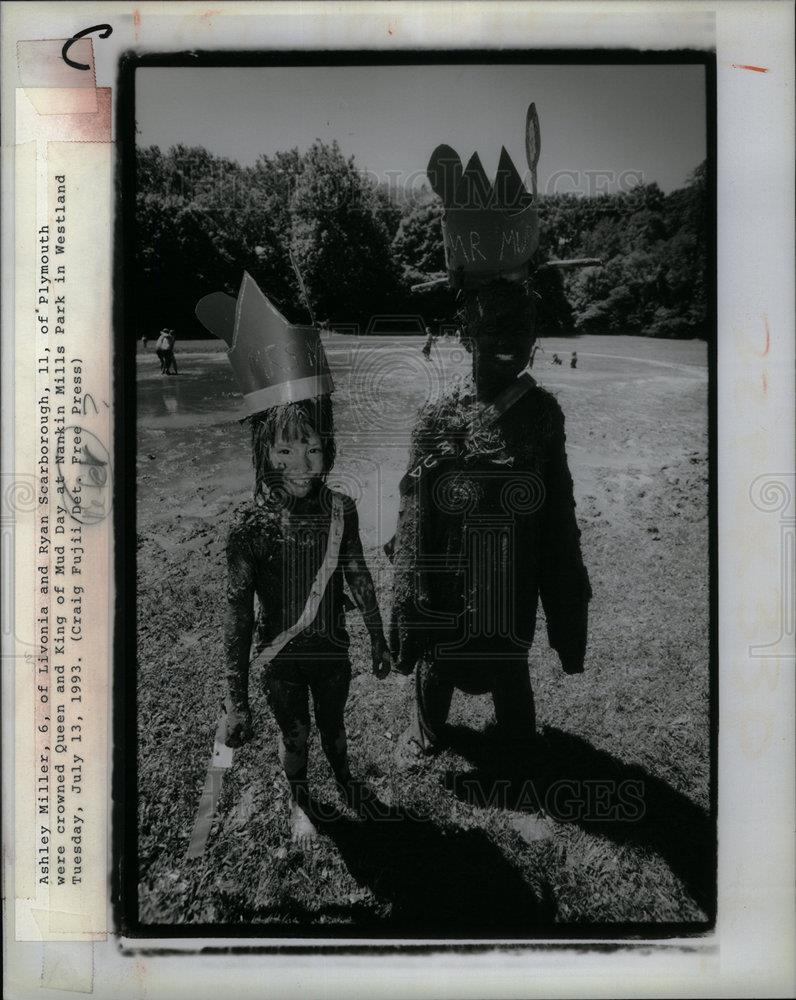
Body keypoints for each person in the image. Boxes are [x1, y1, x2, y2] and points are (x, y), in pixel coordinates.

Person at [389, 103, 591, 767]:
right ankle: (430, 729)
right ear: (465, 333)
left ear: (535, 338)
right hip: (446, 607)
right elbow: (414, 524)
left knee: (508, 673)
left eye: (520, 328)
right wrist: (408, 615)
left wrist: (566, 612)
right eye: (490, 327)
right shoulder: (435, 416)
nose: (509, 343)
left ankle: (517, 738)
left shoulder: (541, 416)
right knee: (440, 673)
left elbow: (558, 521)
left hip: (509, 606)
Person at [195, 272, 390, 849]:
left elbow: (357, 575)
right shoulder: (248, 529)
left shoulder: (342, 509)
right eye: (285, 448)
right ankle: (300, 799)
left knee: (334, 728)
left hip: (333, 653)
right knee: (296, 736)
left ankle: (347, 777)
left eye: (313, 445)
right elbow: (236, 616)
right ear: (264, 453)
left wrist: (377, 636)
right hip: (279, 663)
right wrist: (235, 694)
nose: (303, 461)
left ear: (328, 443)